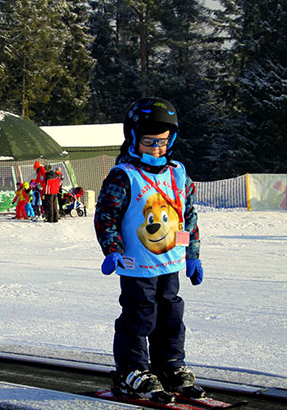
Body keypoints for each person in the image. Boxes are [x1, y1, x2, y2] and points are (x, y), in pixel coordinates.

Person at [94, 98, 204, 404]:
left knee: (171, 315)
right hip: (136, 264)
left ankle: (169, 365)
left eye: (163, 142)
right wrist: (112, 249)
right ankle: (132, 370)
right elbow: (106, 215)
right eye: (150, 142)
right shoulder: (124, 175)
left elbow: (188, 214)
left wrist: (193, 253)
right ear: (133, 138)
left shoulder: (178, 173)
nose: (157, 148)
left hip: (169, 263)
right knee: (139, 316)